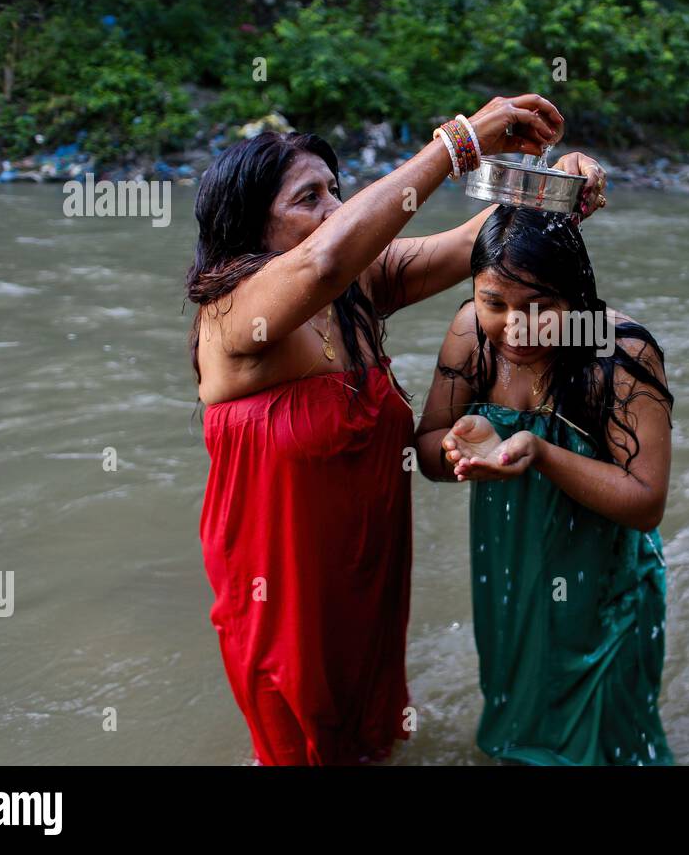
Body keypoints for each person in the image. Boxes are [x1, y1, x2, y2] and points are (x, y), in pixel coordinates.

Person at [188, 94, 608, 764]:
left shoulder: (356, 290)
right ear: (250, 225)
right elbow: (322, 259)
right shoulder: (232, 319)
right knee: (301, 738)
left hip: (369, 565)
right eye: (308, 199)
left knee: (371, 737)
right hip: (279, 585)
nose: (333, 209)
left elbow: (481, 242)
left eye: (336, 190)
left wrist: (560, 187)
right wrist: (457, 143)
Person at [416, 204, 674, 765]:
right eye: (495, 303)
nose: (515, 328)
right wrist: (461, 442)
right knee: (520, 725)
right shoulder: (470, 334)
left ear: (577, 296)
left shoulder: (620, 353)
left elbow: (646, 502)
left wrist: (540, 453)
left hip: (607, 590)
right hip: (510, 579)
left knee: (607, 739)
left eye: (540, 308)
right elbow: (428, 452)